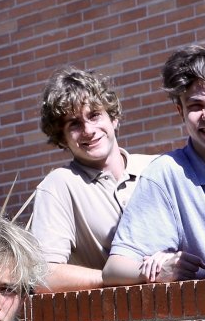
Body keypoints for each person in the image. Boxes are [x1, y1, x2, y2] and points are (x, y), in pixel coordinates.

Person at [105, 45, 205, 283]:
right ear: (180, 112)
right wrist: (158, 271)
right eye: (195, 106)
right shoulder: (165, 174)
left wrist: (201, 273)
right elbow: (113, 270)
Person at [28, 66, 145, 289]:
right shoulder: (59, 185)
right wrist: (111, 277)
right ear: (61, 138)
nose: (88, 130)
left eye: (94, 115)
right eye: (74, 124)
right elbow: (43, 276)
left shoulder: (156, 169)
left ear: (114, 118)